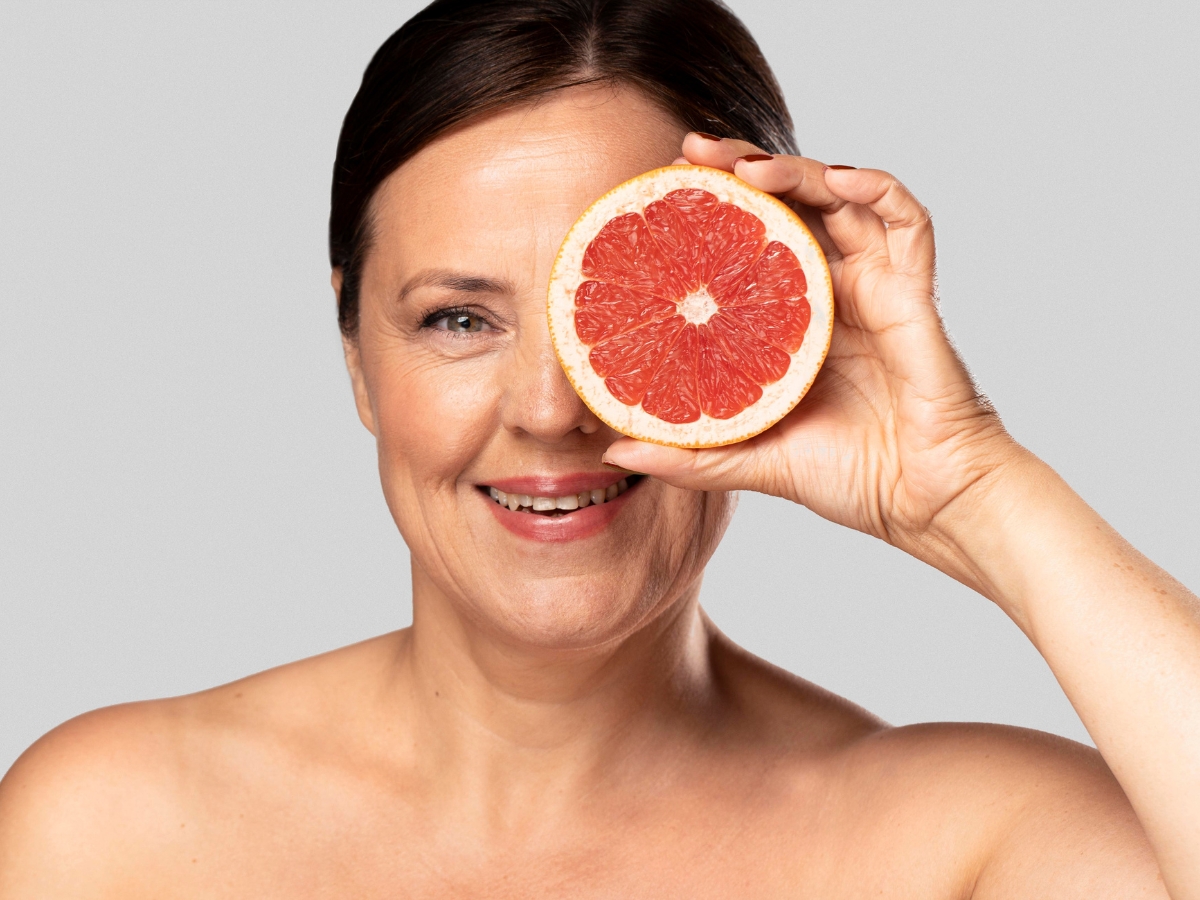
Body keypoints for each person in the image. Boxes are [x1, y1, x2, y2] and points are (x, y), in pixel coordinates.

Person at [0, 0, 1196, 896]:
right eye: (458, 319)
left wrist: (973, 487)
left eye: (611, 319)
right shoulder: (114, 829)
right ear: (358, 358)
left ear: (773, 323)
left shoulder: (958, 849)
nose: (550, 409)